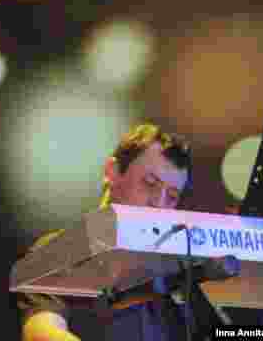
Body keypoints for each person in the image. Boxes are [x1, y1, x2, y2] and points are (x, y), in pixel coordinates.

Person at [18, 123, 192, 341]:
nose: (159, 204)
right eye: (150, 183)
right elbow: (40, 332)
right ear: (112, 172)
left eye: (172, 197)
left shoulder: (171, 271)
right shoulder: (58, 250)